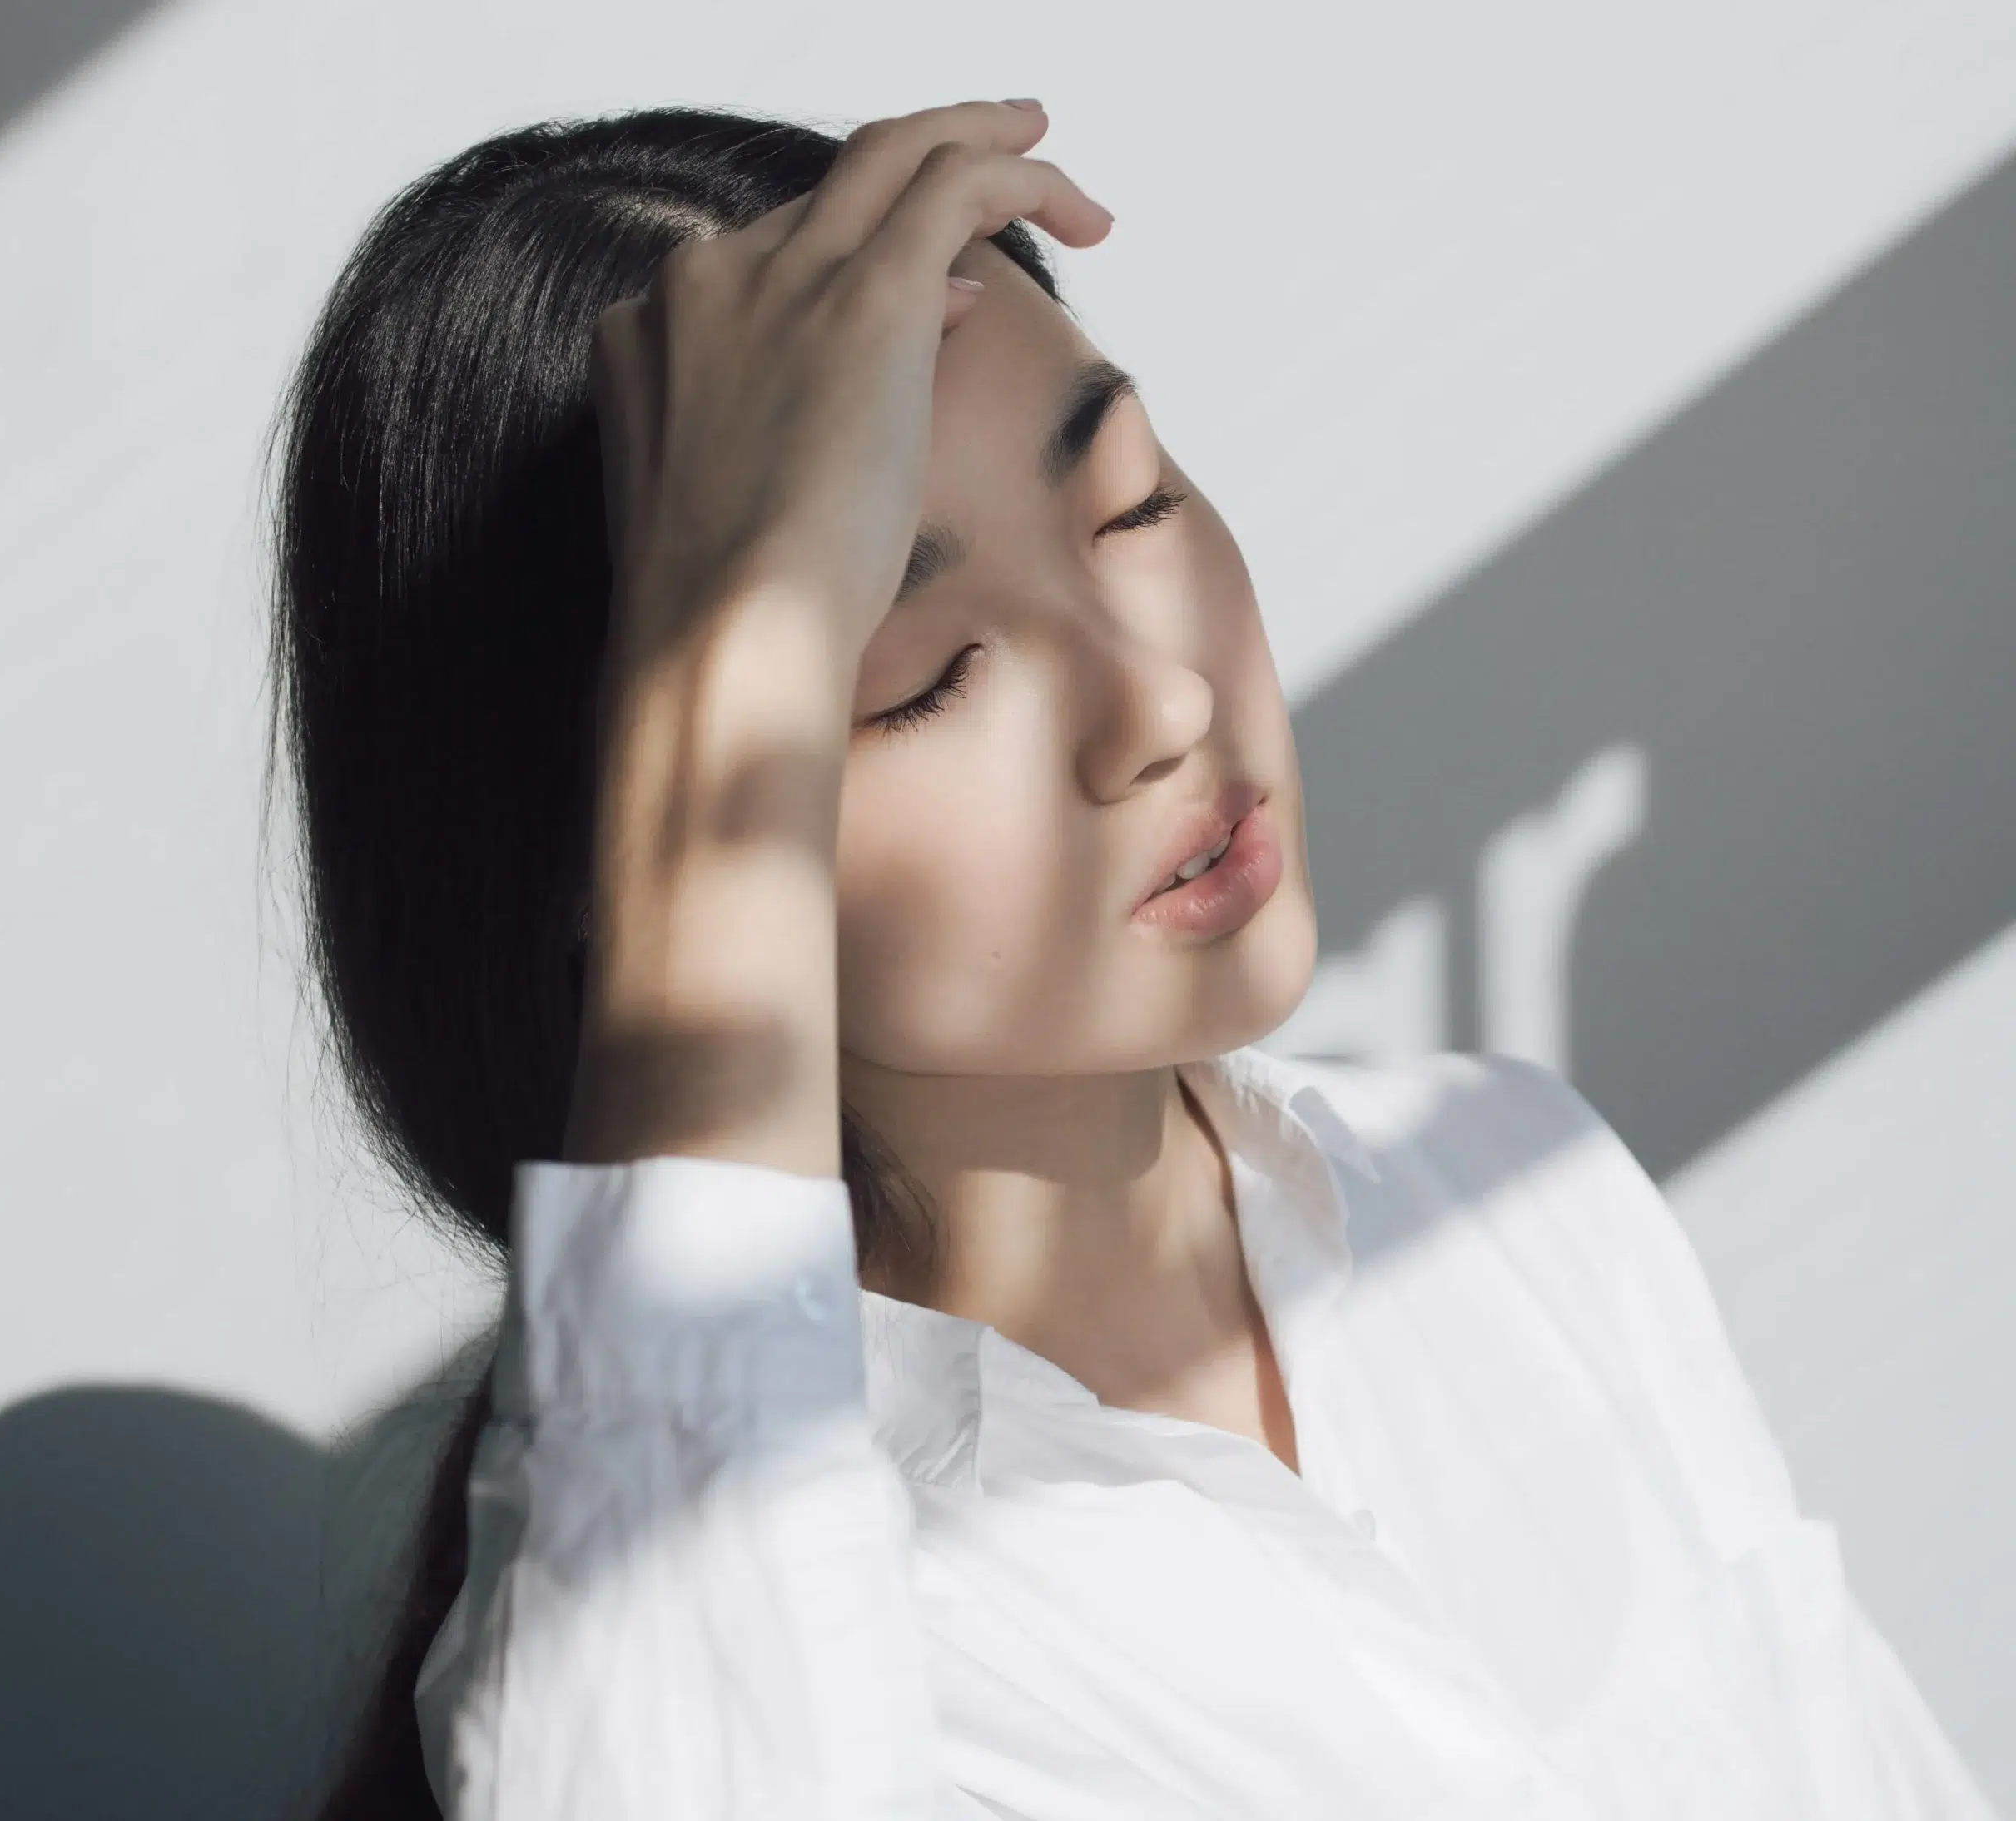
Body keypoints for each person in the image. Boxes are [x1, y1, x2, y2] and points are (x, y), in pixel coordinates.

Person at [271, 99, 1999, 1819]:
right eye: (917, 675)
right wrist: (731, 652)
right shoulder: (722, 1610)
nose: (1158, 699)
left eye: (1130, 503)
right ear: (617, 849)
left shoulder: (1513, 1190)